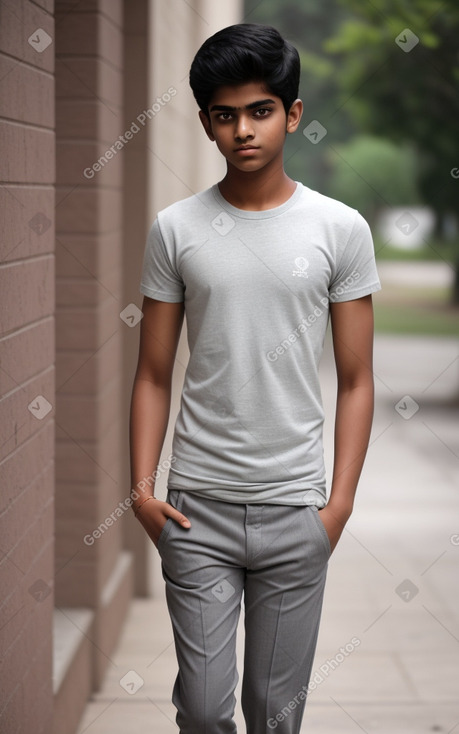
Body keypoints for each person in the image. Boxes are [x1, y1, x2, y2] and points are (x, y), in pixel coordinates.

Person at [129, 22, 381, 734]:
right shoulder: (175, 228)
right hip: (195, 511)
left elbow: (357, 379)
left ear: (292, 114)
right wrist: (143, 494)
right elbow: (151, 373)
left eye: (260, 110)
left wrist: (337, 508)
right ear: (207, 121)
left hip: (295, 510)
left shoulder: (339, 229)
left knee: (274, 716)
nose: (243, 130)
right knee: (205, 714)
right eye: (224, 113)